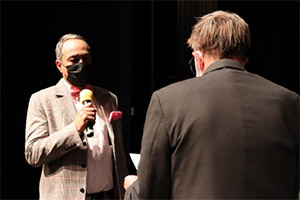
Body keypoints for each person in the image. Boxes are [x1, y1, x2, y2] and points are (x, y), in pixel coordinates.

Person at [123, 10, 299, 199]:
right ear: (245, 60)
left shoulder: (167, 100)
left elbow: (148, 193)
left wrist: (131, 186)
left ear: (198, 58)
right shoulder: (289, 102)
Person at [25, 33, 128, 200]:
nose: (81, 64)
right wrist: (74, 129)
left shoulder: (108, 98)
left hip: (106, 195)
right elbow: (33, 154)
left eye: (85, 58)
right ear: (60, 65)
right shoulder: (42, 100)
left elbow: (116, 151)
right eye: (74, 60)